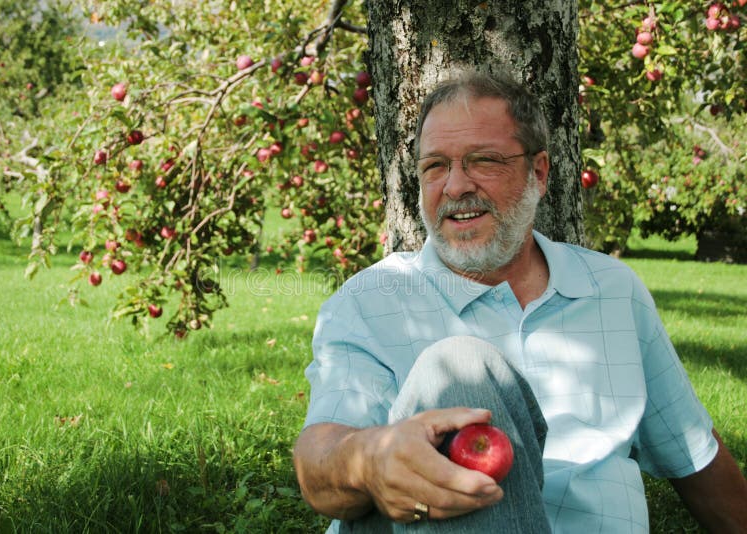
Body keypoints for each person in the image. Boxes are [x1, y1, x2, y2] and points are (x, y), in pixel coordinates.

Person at [292, 70, 747, 533]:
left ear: (540, 173)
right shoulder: (373, 298)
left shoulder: (612, 289)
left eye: (482, 161)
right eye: (435, 166)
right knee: (462, 368)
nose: (455, 187)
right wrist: (370, 460)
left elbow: (695, 455)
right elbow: (319, 462)